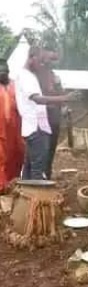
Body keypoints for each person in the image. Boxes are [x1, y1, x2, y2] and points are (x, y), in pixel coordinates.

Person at [14, 47, 75, 180]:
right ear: (32, 57)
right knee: (38, 170)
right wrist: (64, 98)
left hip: (38, 126)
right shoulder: (26, 77)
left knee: (31, 166)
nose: (43, 65)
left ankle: (26, 195)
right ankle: (38, 198)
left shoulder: (32, 75)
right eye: (41, 61)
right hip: (36, 128)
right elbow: (37, 99)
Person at [35, 46, 64, 179]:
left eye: (54, 59)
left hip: (54, 118)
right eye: (51, 58)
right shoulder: (36, 74)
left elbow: (60, 95)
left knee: (51, 148)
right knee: (42, 150)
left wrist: (63, 104)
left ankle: (47, 174)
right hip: (41, 117)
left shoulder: (54, 76)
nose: (52, 61)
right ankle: (38, 176)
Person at [0, 59, 23, 192]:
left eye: (5, 71)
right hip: (1, 132)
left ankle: (12, 184)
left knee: (17, 158)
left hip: (16, 132)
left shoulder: (16, 85)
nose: (3, 74)